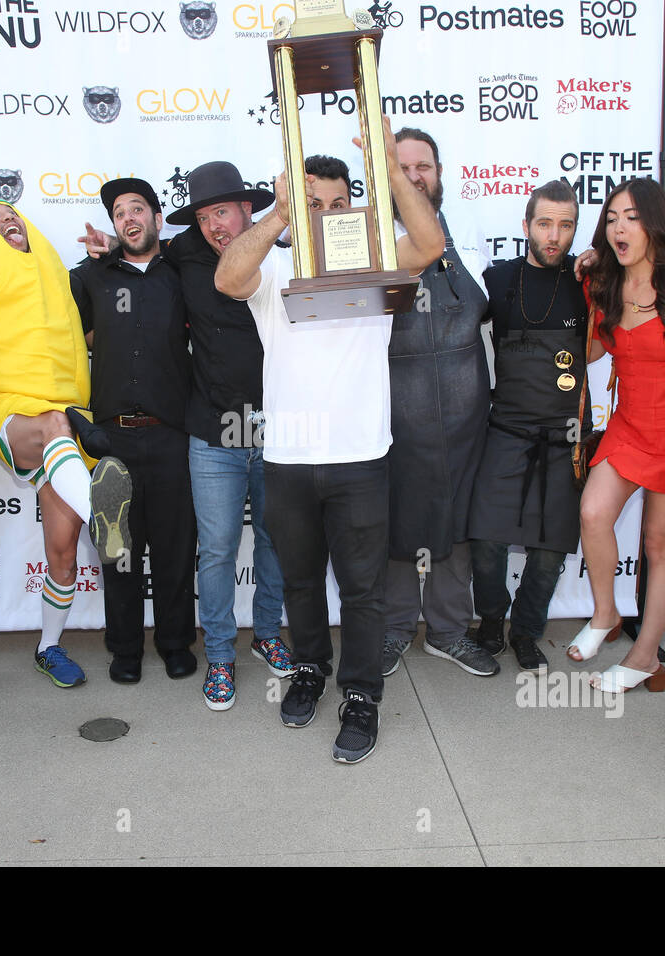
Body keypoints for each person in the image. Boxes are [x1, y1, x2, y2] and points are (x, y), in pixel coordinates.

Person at [215, 121, 445, 763]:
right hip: (287, 463)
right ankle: (311, 669)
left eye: (337, 204)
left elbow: (429, 242)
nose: (326, 215)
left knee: (365, 590)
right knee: (300, 584)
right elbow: (227, 279)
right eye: (312, 204)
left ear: (354, 207)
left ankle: (363, 696)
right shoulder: (275, 267)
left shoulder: (374, 265)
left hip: (362, 462)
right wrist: (279, 217)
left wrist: (393, 174)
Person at [82, 162, 294, 711]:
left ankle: (267, 633)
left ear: (249, 209)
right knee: (217, 550)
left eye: (222, 211)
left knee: (273, 543)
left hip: (279, 429)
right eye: (202, 216)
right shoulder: (185, 255)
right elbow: (136, 260)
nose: (214, 226)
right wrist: (106, 251)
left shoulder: (288, 249)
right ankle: (220, 656)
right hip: (209, 431)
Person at [0, 198, 132, 689]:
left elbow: (128, 260)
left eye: (10, 213)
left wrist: (113, 245)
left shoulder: (62, 277)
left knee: (60, 550)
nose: (6, 220)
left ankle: (47, 648)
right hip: (13, 414)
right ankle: (105, 511)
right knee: (55, 421)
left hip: (71, 427)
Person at [571, 177, 665, 693]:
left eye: (631, 217)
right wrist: (584, 285)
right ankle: (605, 612)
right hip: (629, 428)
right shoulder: (604, 284)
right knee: (592, 513)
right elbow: (593, 355)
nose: (619, 228)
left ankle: (644, 656)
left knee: (660, 546)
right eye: (611, 218)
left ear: (654, 223)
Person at [379, 129, 496, 680]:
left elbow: (492, 302)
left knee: (459, 528)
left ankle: (449, 632)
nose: (413, 176)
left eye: (422, 166)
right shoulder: (373, 238)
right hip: (395, 416)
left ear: (439, 171)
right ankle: (394, 628)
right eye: (400, 167)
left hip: (466, 414)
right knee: (395, 526)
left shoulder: (467, 230)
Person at [70, 180, 197, 684]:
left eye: (137, 208)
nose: (128, 217)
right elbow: (53, 332)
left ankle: (174, 643)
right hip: (111, 439)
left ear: (157, 218)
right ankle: (124, 649)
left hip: (171, 435)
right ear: (114, 225)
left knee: (173, 548)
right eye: (119, 212)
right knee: (118, 549)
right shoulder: (91, 277)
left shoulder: (182, 270)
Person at [467, 180, 588, 674]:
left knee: (549, 546)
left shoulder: (589, 283)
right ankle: (492, 619)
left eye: (565, 225)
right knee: (486, 539)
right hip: (507, 429)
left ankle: (527, 630)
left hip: (564, 438)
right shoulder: (497, 280)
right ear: (525, 227)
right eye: (545, 223)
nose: (554, 235)